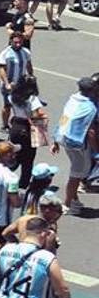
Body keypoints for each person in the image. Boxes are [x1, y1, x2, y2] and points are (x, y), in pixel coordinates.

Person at [51, 76, 97, 215]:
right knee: (76, 174)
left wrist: (56, 139)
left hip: (64, 138)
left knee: (76, 172)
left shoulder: (74, 99)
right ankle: (68, 204)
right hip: (77, 144)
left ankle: (74, 200)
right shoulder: (91, 107)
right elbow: (91, 132)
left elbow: (64, 117)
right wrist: (97, 152)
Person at [0, 32, 33, 131]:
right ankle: (4, 125)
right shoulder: (5, 53)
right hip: (10, 84)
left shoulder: (26, 52)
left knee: (21, 105)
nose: (18, 44)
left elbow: (29, 65)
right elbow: (1, 69)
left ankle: (19, 125)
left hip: (21, 85)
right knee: (7, 105)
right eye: (16, 42)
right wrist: (6, 83)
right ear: (11, 41)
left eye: (20, 42)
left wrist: (31, 77)